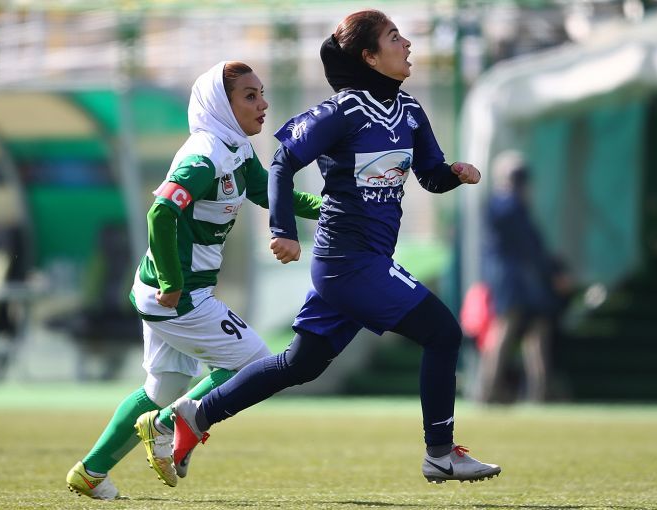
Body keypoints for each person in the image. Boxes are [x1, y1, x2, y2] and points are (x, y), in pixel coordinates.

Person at [147, 9, 502, 485]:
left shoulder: (411, 111)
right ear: (370, 56)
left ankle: (194, 415)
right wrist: (282, 229)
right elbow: (282, 162)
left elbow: (430, 177)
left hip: (367, 261)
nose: (407, 44)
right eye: (395, 37)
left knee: (301, 363)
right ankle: (440, 453)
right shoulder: (343, 111)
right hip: (346, 261)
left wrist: (455, 174)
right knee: (443, 333)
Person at [65, 61, 322, 499]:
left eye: (261, 93)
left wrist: (330, 209)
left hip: (170, 292)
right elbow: (161, 213)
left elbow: (269, 191)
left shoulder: (235, 148)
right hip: (178, 297)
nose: (263, 104)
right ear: (221, 104)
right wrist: (172, 282)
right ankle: (168, 425)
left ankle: (90, 472)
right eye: (250, 96)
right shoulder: (204, 156)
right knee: (255, 364)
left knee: (162, 388)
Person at [478, 151, 571, 404]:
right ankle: (489, 389)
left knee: (536, 330)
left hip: (524, 280)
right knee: (507, 328)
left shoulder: (508, 205)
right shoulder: (506, 205)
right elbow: (530, 246)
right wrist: (553, 273)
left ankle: (539, 390)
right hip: (514, 280)